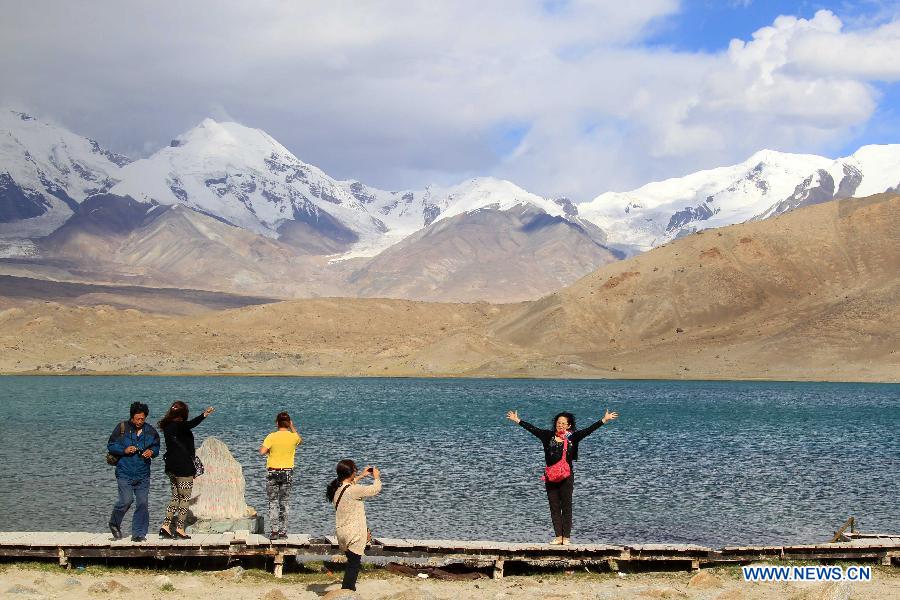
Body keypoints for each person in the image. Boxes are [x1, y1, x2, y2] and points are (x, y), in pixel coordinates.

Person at [506, 407, 618, 545]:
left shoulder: (572, 437)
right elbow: (533, 429)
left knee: (566, 506)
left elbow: (588, 430)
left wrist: (604, 420)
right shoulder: (547, 436)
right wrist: (517, 420)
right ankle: (558, 537)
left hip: (566, 476)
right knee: (554, 506)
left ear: (569, 425)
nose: (560, 425)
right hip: (551, 476)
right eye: (559, 423)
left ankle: (567, 538)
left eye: (564, 423)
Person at [157, 401, 215, 539]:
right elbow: (191, 424)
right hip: (183, 468)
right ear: (183, 414)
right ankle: (180, 529)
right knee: (185, 499)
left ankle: (165, 526)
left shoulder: (167, 426)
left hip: (171, 467)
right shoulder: (180, 426)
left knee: (176, 497)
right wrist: (204, 415)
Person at [107, 402, 160, 542]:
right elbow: (111, 445)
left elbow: (156, 448)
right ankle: (114, 523)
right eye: (137, 419)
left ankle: (138, 534)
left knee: (142, 503)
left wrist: (151, 452)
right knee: (126, 500)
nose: (140, 421)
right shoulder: (122, 428)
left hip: (143, 474)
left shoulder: (151, 431)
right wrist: (124, 450)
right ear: (132, 417)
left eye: (142, 419)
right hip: (124, 472)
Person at [325, 460, 382, 592]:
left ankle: (348, 589)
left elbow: (349, 485)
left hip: (342, 533)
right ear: (350, 473)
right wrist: (376, 477)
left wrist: (362, 475)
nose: (356, 473)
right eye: (355, 471)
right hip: (354, 533)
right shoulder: (353, 490)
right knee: (354, 565)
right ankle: (348, 590)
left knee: (352, 562)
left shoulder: (337, 490)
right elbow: (375, 489)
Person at [259, 411, 302, 540]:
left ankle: (274, 531)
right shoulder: (293, 437)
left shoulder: (271, 436)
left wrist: (270, 452)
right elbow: (300, 440)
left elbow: (262, 451)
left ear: (277, 423)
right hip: (287, 472)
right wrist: (292, 427)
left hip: (273, 471)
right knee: (285, 502)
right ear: (289, 424)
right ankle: (283, 531)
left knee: (273, 502)